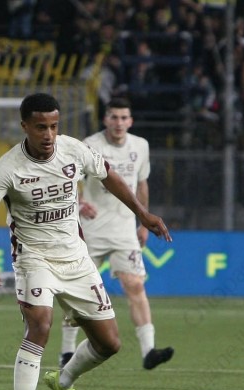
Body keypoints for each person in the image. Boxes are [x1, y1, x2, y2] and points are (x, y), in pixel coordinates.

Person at [0, 93, 171, 390]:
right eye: (40, 127)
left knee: (109, 344)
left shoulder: (73, 149)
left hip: (77, 259)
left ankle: (63, 381)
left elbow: (108, 175)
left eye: (54, 126)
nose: (48, 134)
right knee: (40, 326)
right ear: (25, 126)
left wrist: (142, 213)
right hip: (34, 258)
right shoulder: (9, 167)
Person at [60, 98, 174, 371]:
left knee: (135, 285)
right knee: (78, 291)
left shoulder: (141, 146)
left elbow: (141, 184)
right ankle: (66, 352)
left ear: (130, 121)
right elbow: (69, 180)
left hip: (124, 231)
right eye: (114, 117)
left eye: (124, 117)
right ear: (106, 120)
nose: (119, 123)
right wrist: (79, 203)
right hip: (91, 231)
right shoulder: (90, 144)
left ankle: (148, 350)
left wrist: (142, 222)